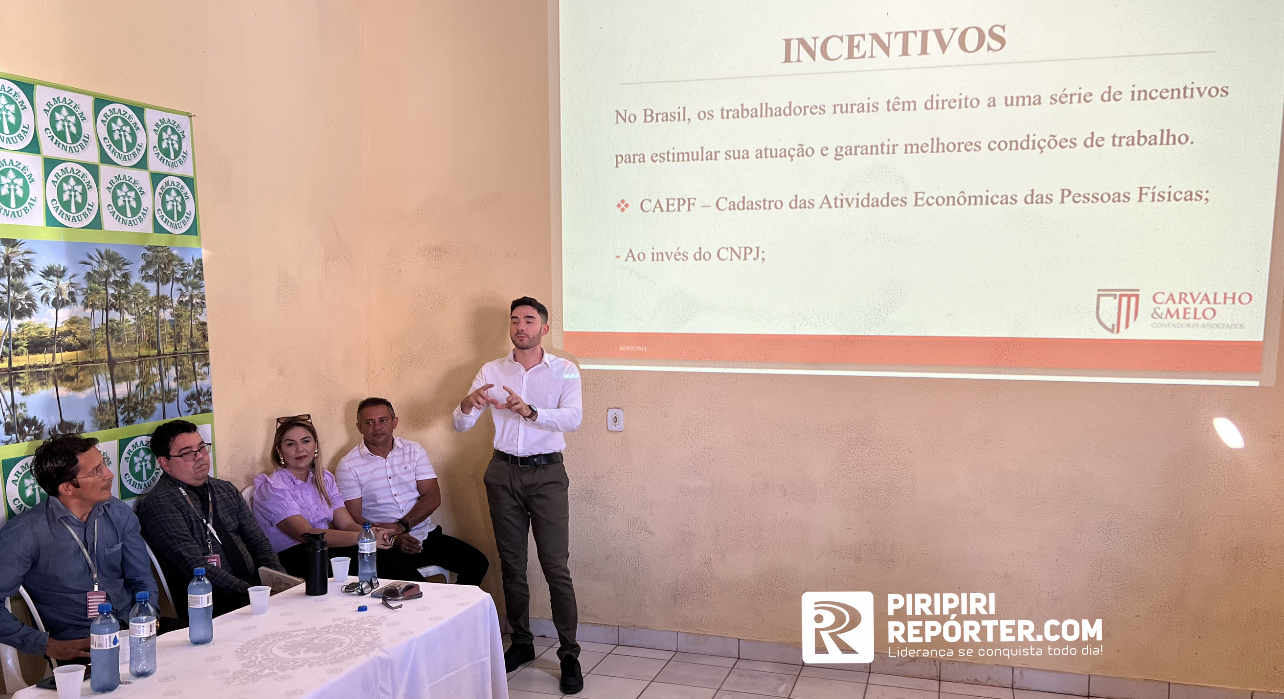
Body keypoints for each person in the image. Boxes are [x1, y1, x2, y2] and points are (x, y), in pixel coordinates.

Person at [453, 296, 584, 694]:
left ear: (544, 327)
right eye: (515, 320)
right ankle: (522, 643)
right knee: (512, 565)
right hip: (502, 472)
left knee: (555, 566)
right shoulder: (491, 370)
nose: (520, 326)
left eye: (528, 320)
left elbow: (573, 418)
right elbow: (461, 425)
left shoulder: (564, 369)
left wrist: (530, 411)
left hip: (547, 474)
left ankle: (569, 655)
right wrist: (467, 404)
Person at [0, 434, 157, 661]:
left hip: (132, 629)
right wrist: (47, 645)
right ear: (67, 487)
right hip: (81, 643)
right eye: (96, 471)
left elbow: (142, 578)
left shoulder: (118, 512)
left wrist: (148, 619)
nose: (109, 474)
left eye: (104, 464)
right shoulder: (25, 533)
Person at [136, 419, 284, 621]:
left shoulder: (224, 489)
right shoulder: (160, 504)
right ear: (165, 463)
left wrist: (278, 580)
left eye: (201, 448)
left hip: (253, 586)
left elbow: (258, 541)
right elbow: (195, 567)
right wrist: (252, 592)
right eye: (187, 453)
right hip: (209, 597)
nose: (200, 457)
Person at [336, 398, 490, 586]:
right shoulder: (348, 465)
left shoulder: (413, 450)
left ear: (395, 422)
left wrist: (401, 526)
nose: (377, 427)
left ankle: (455, 605)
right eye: (369, 422)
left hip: (423, 534)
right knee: (416, 587)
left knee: (477, 563)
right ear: (359, 427)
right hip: (384, 545)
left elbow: (432, 497)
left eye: (383, 420)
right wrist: (392, 537)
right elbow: (354, 518)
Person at [252, 415, 396, 577]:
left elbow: (347, 524)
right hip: (292, 559)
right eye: (290, 444)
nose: (300, 449)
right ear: (280, 451)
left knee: (380, 553)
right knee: (370, 554)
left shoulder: (324, 479)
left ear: (315, 445)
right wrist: (364, 538)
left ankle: (409, 590)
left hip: (322, 551)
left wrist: (373, 534)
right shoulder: (273, 487)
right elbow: (307, 535)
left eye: (306, 441)